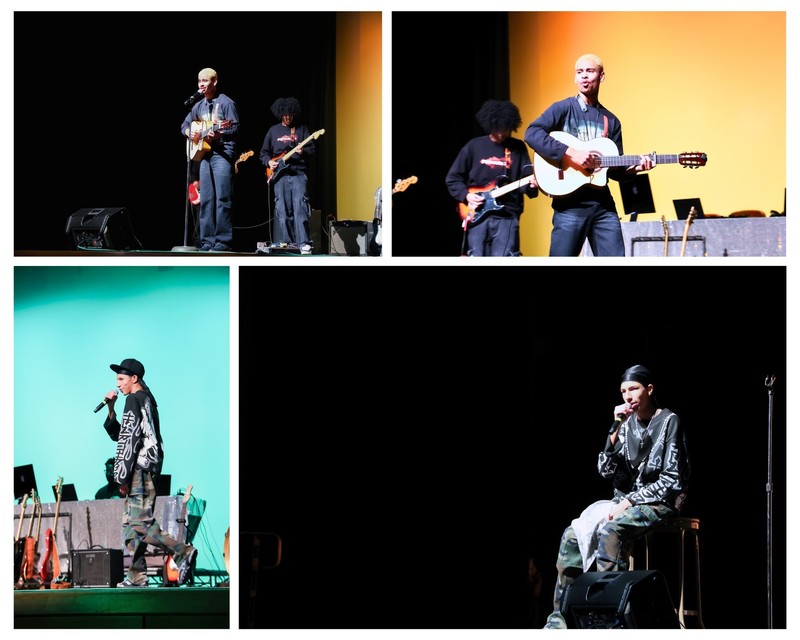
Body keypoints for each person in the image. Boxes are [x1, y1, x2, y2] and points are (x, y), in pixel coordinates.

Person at [542, 364, 690, 629]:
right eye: (623, 391)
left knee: (612, 530)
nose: (628, 396)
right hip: (624, 500)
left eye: (634, 388)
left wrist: (630, 501)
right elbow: (605, 470)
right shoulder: (626, 424)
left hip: (660, 501)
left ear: (649, 389)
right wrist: (614, 430)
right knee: (573, 535)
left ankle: (609, 617)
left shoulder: (670, 421)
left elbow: (672, 479)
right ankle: (559, 619)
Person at [524, 54, 654, 257]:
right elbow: (532, 133)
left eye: (590, 71)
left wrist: (635, 168)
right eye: (580, 72)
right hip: (569, 205)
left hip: (603, 206)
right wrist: (571, 153)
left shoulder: (611, 121)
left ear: (601, 76)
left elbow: (614, 171)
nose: (584, 76)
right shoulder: (563, 108)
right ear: (575, 78)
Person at [100, 358, 196, 587]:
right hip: (144, 467)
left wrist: (122, 477)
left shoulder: (134, 399)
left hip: (140, 468)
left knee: (140, 524)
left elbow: (129, 440)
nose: (118, 384)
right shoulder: (146, 399)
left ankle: (183, 552)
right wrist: (111, 408)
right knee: (130, 526)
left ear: (134, 378)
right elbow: (124, 434)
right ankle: (136, 577)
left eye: (121, 379)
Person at [446, 99, 538, 256]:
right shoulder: (474, 146)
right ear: (490, 125)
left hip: (507, 215)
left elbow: (527, 180)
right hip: (477, 214)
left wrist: (532, 185)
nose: (502, 133)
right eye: (498, 129)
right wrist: (467, 195)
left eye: (505, 129)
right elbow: (453, 178)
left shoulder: (517, 148)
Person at [180, 67, 240, 252]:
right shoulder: (198, 105)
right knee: (206, 198)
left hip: (222, 154)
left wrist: (219, 134)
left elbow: (235, 127)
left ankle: (223, 241)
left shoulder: (226, 102)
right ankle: (207, 241)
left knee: (222, 197)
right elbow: (184, 125)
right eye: (200, 81)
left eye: (205, 81)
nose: (202, 85)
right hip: (205, 155)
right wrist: (190, 132)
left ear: (215, 82)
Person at [259, 97, 316, 254]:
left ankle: (303, 243)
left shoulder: (301, 130)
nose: (287, 118)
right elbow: (263, 153)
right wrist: (269, 162)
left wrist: (302, 151)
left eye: (290, 115)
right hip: (280, 176)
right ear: (280, 115)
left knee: (300, 208)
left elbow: (312, 150)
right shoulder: (273, 131)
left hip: (298, 173)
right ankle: (288, 243)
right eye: (285, 115)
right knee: (282, 210)